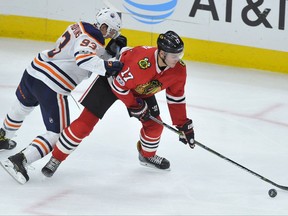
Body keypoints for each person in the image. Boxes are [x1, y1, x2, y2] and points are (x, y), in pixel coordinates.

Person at [40, 30, 195, 179]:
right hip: (111, 82)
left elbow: (176, 97)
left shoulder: (178, 69)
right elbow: (119, 86)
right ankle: (56, 158)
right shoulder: (141, 62)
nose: (179, 59)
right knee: (84, 125)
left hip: (140, 89)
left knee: (155, 126)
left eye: (180, 54)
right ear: (162, 54)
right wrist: (135, 106)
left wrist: (182, 124)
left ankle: (147, 156)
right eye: (175, 56)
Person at [0, 8, 127, 184]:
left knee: (21, 108)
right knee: (57, 134)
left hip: (34, 71)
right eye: (111, 31)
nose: (111, 35)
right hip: (52, 85)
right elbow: (84, 59)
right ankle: (20, 161)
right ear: (103, 25)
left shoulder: (79, 26)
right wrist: (109, 65)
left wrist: (107, 54)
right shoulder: (94, 36)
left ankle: (2, 136)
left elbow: (85, 51)